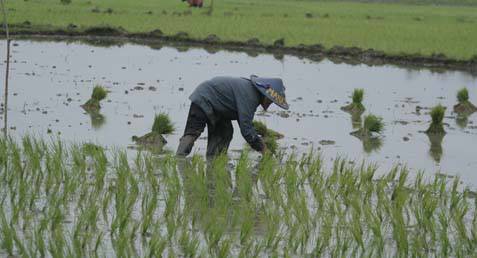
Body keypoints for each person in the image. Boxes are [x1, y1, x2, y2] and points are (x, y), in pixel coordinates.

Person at [176, 75, 289, 157]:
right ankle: (178, 160)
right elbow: (246, 129)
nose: (270, 104)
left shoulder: (251, 93)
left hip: (220, 110)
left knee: (225, 133)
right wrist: (264, 149)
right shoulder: (250, 97)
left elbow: (245, 123)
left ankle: (214, 161)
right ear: (265, 94)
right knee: (193, 132)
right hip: (204, 97)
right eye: (270, 100)